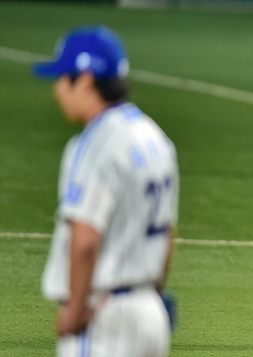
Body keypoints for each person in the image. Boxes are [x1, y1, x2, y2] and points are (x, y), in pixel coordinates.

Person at [34, 25, 179, 357]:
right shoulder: (154, 137)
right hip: (151, 316)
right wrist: (149, 293)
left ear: (85, 80)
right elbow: (168, 234)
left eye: (62, 78)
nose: (57, 90)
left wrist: (73, 314)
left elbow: (85, 239)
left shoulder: (95, 144)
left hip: (102, 318)